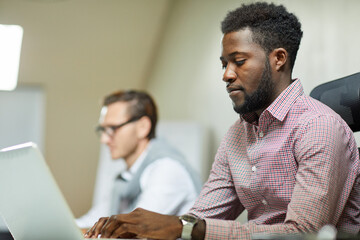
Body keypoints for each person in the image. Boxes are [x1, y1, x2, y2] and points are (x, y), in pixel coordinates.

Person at [85, 2, 360, 239]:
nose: (226, 75)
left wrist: (186, 230)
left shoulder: (319, 127)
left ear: (278, 59)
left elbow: (302, 235)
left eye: (238, 61)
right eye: (223, 64)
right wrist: (148, 230)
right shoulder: (237, 135)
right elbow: (198, 218)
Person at [76, 90, 202, 229]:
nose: (104, 139)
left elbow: (133, 232)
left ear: (143, 127)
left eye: (113, 128)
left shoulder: (168, 170)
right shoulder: (125, 180)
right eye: (102, 130)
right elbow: (93, 220)